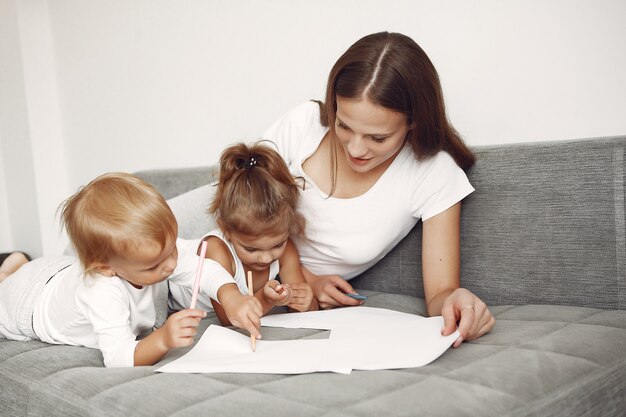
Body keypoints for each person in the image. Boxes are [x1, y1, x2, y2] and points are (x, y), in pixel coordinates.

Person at [262, 31, 495, 347]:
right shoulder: (304, 124)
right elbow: (235, 206)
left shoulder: (432, 174)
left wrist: (461, 302)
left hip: (251, 287)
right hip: (206, 240)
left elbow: (440, 296)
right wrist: (305, 280)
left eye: (377, 138)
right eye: (343, 126)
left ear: (413, 121)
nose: (355, 149)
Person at [0, 172, 262, 367]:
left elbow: (204, 270)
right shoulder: (101, 290)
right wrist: (163, 340)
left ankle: (16, 264)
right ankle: (10, 271)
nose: (171, 264)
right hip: (25, 305)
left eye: (172, 249)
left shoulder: (154, 252)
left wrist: (232, 297)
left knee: (30, 271)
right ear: (106, 268)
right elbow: (117, 357)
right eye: (155, 265)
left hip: (57, 270)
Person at [169, 142, 317, 324]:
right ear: (226, 230)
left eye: (278, 245)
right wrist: (267, 299)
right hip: (165, 291)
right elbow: (230, 320)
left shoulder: (286, 250)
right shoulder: (216, 251)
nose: (266, 258)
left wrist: (304, 302)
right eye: (252, 249)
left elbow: (305, 313)